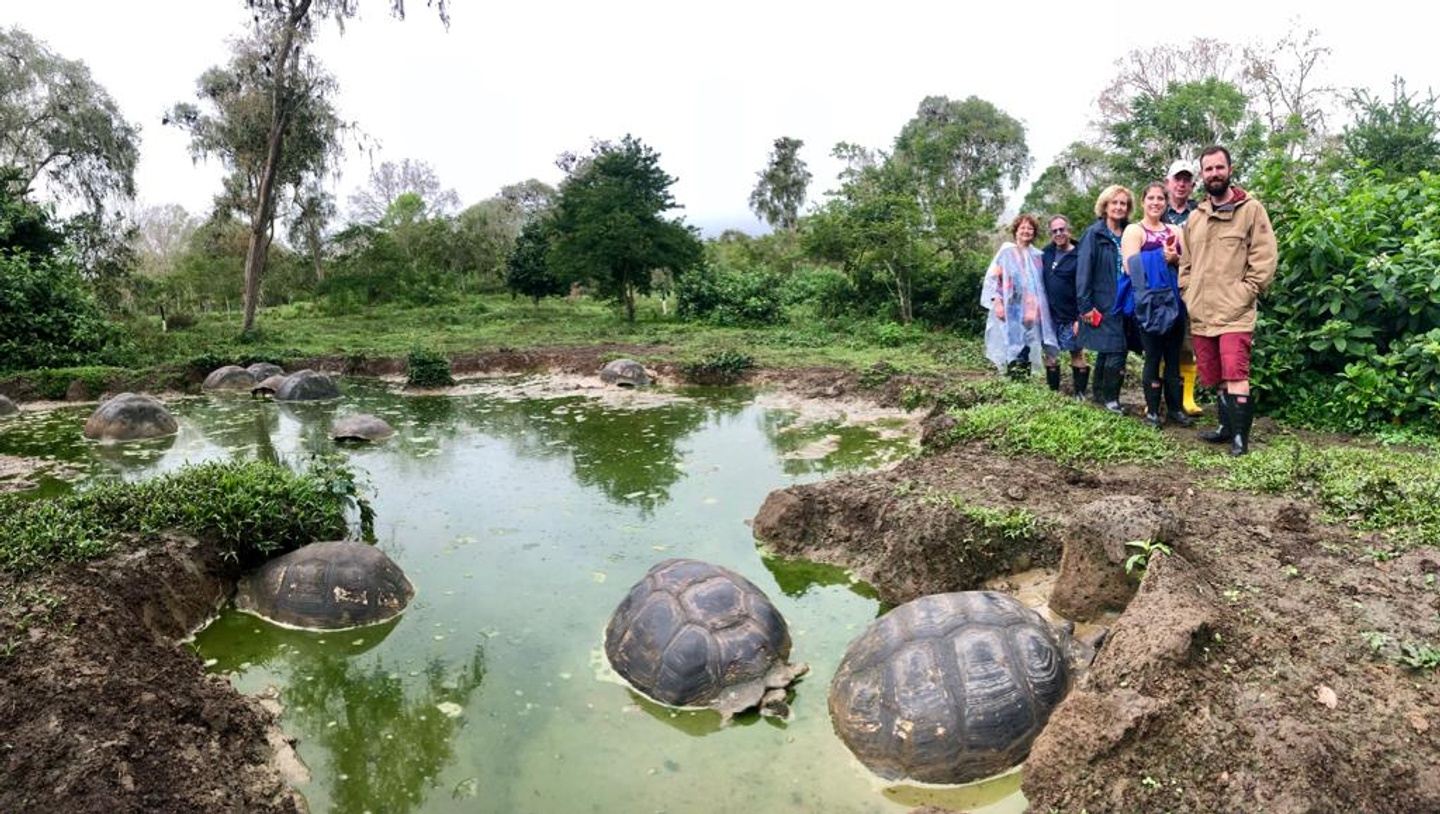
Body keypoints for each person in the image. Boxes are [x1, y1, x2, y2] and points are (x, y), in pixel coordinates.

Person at [1178, 145, 1278, 456]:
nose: (1214, 174)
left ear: (1230, 170)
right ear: (1203, 175)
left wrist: (1247, 291)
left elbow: (1264, 258)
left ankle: (1240, 440)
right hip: (1202, 312)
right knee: (1215, 375)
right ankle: (1224, 428)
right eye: (1208, 169)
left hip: (1235, 311)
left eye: (1219, 167)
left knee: (1236, 374)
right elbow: (1186, 262)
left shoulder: (1251, 209)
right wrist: (1187, 292)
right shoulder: (1195, 217)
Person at [1121, 182, 1192, 428]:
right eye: (1150, 198)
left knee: (1174, 357)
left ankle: (1175, 408)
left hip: (1175, 302)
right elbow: (1132, 267)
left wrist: (1175, 258)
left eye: (1160, 198)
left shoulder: (1175, 229)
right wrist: (1161, 258)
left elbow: (1188, 262)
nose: (1155, 203)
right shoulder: (1134, 230)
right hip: (1148, 303)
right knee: (1153, 356)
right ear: (1143, 201)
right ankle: (1152, 410)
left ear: (1166, 201)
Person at [1075, 185, 1133, 413]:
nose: (1119, 207)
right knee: (1116, 349)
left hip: (1126, 299)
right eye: (1115, 203)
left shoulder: (1130, 231)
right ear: (1105, 206)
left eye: (1123, 203)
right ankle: (1111, 399)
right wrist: (1085, 305)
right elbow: (1083, 272)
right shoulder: (1094, 234)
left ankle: (1099, 393)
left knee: (1109, 349)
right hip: (1103, 300)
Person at [981, 213, 1056, 379]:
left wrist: (1034, 309)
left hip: (1031, 309)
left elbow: (1039, 287)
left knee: (1029, 343)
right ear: (1016, 231)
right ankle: (1014, 381)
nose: (1026, 231)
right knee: (1012, 342)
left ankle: (1024, 382)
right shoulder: (1006, 252)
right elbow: (995, 280)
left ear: (1034, 233)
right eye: (1023, 227)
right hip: (1011, 307)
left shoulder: (1037, 257)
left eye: (1030, 228)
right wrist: (997, 302)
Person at [1162, 158, 1205, 417]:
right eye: (1177, 178)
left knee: (1189, 342)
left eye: (1186, 179)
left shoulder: (1200, 214)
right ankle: (1158, 395)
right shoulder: (1156, 209)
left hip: (1191, 285)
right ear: (1168, 182)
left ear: (1192, 185)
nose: (1181, 184)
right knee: (1161, 342)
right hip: (1162, 289)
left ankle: (1187, 397)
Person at [1041, 215, 1089, 398]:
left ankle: (1080, 394)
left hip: (1072, 316)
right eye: (1054, 231)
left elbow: (1086, 287)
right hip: (1049, 316)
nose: (1059, 233)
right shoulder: (1046, 253)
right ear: (1050, 234)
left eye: (1062, 229)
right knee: (1051, 356)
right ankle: (1054, 394)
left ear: (1068, 230)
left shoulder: (1080, 254)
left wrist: (1080, 317)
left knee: (1076, 353)